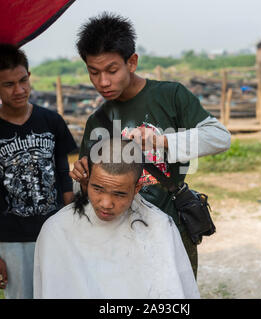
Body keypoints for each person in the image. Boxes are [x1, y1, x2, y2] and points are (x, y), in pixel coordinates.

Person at [70, 12, 231, 277]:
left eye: (111, 70)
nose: (103, 82)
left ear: (131, 62)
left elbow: (220, 137)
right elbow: (92, 192)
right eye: (93, 72)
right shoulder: (97, 120)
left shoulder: (170, 96)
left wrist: (163, 140)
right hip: (120, 235)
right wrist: (82, 180)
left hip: (173, 229)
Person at [0, 44, 77, 299]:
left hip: (56, 233)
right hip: (12, 241)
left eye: (23, 80)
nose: (20, 90)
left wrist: (73, 231)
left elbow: (65, 178)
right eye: (8, 85)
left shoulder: (52, 121)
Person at [34, 139, 200, 299]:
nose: (106, 204)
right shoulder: (58, 230)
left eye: (119, 194)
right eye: (97, 188)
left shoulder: (159, 227)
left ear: (137, 188)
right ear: (87, 179)